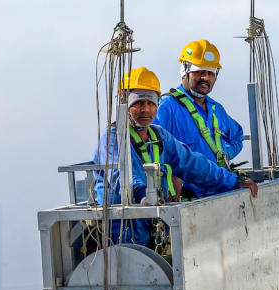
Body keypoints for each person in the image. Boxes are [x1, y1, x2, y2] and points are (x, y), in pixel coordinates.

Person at [92, 67, 257, 246]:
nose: (145, 109)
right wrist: (143, 194)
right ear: (123, 103)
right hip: (120, 240)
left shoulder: (158, 135)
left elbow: (193, 164)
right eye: (138, 102)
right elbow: (122, 177)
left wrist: (232, 181)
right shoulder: (113, 139)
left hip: (153, 231)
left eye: (151, 102)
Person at [154, 39, 245, 196]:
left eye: (211, 73)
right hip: (187, 200)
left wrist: (223, 154)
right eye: (199, 72)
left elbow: (237, 136)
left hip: (220, 193)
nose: (206, 78)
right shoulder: (167, 107)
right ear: (184, 71)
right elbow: (153, 147)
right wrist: (171, 175)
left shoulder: (216, 109)